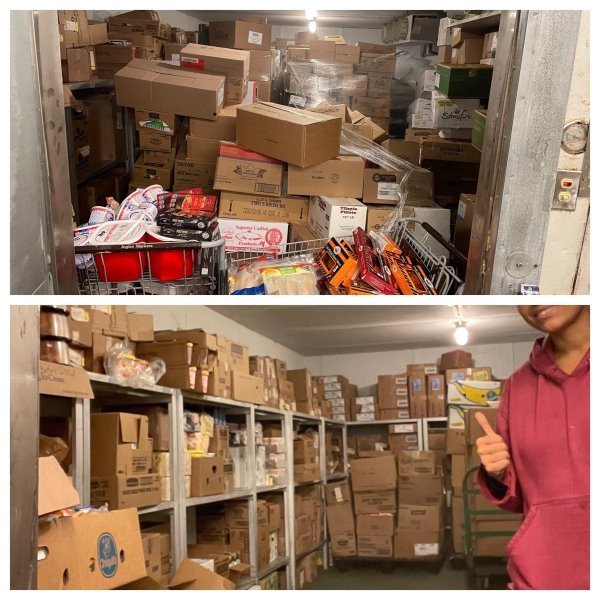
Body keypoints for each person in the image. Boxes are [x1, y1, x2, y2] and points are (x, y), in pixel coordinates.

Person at [474, 305, 589, 590]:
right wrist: (497, 474)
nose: (536, 302)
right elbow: (520, 499)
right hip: (543, 575)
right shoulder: (518, 386)